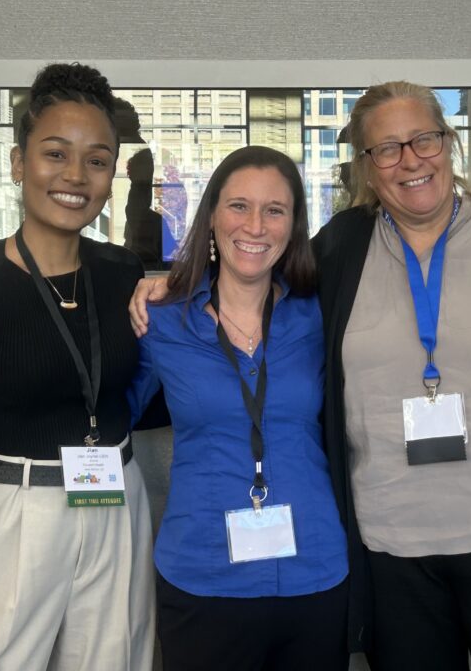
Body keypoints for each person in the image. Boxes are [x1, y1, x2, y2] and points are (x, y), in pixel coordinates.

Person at [131, 81, 471, 671]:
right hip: (391, 557)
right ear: (367, 168)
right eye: (386, 149)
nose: (410, 160)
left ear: (450, 142)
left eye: (424, 139)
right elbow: (250, 269)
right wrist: (168, 281)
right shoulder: (342, 249)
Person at [0, 63, 155, 671]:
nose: (75, 176)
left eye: (96, 160)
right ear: (19, 163)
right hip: (17, 513)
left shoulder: (122, 273)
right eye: (55, 154)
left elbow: (136, 391)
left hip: (118, 503)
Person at [129, 145, 349, 671]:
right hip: (202, 576)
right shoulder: (160, 320)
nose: (255, 225)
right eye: (238, 206)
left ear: (293, 226)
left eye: (275, 210)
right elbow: (104, 412)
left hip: (313, 570)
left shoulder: (323, 314)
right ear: (210, 217)